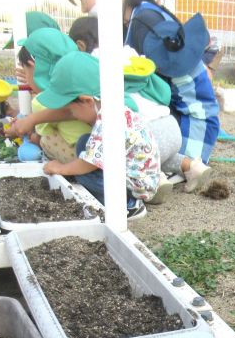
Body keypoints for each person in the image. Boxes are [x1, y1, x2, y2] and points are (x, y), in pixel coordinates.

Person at [69, 16, 206, 199]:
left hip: (147, 131)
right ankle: (193, 167)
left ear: (80, 46)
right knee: (161, 154)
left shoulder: (95, 65)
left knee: (128, 151)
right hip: (170, 126)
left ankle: (157, 180)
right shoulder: (130, 55)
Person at [39, 51, 166, 220]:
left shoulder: (109, 120)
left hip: (135, 185)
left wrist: (61, 169)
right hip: (131, 173)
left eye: (71, 110)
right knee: (84, 142)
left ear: (86, 101)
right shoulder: (110, 107)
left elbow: (88, 164)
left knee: (84, 173)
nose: (72, 115)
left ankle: (129, 204)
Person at [123, 0, 217, 190]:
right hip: (192, 108)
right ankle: (182, 167)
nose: (83, 2)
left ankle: (165, 172)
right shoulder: (147, 13)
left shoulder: (143, 20)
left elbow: (154, 85)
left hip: (194, 117)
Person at [4, 29, 91, 164]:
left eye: (25, 71)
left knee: (45, 140)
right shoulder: (84, 83)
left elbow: (39, 137)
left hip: (81, 156)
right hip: (100, 146)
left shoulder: (42, 101)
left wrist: (24, 132)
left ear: (33, 66)